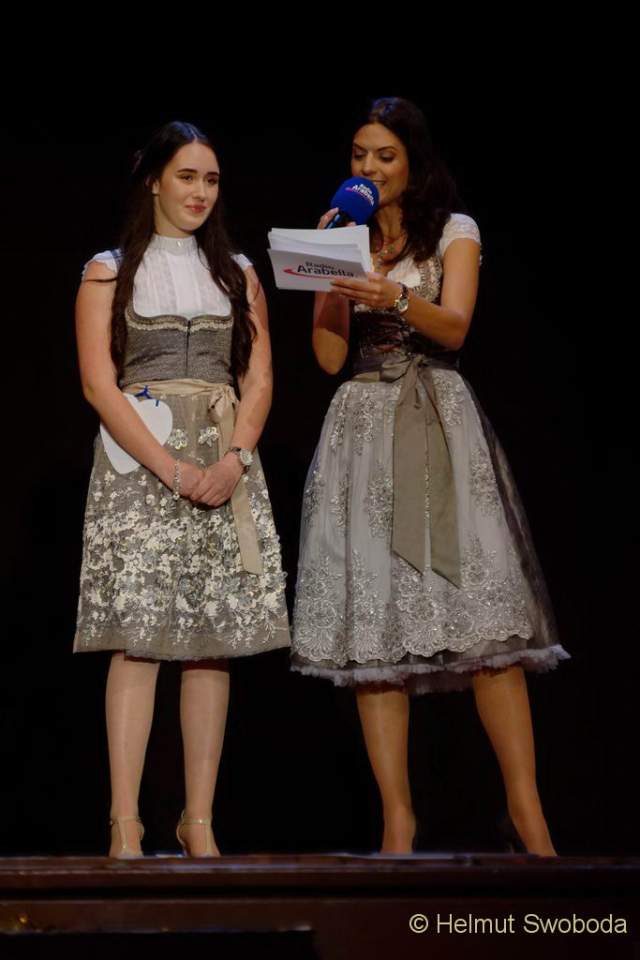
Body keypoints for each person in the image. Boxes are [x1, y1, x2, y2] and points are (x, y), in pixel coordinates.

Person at [291, 97, 568, 856]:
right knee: (374, 624)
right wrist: (328, 271)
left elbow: (456, 325)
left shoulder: (454, 230)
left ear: (413, 161)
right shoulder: (343, 235)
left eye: (384, 156)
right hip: (361, 427)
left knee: (482, 619)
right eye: (359, 155)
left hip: (435, 418)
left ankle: (527, 815)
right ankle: (397, 822)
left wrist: (395, 296)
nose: (369, 168)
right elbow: (327, 358)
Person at [74, 120, 289, 859]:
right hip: (140, 460)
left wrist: (233, 460)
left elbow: (259, 376)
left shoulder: (237, 271)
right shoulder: (108, 271)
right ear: (154, 181)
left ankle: (199, 822)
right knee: (138, 638)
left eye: (212, 179)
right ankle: (125, 824)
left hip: (223, 457)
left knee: (212, 642)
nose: (201, 192)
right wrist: (169, 467)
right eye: (188, 176)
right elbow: (99, 385)